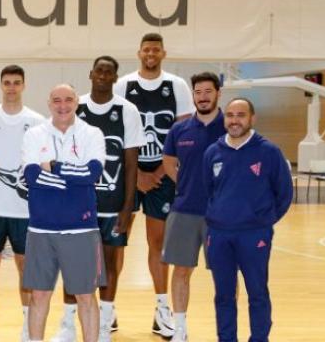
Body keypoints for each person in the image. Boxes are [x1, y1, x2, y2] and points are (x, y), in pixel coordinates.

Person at [52, 56, 145, 342]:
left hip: (113, 204)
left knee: (109, 264)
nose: (104, 75)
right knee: (73, 264)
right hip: (78, 205)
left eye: (109, 71)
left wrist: (128, 207)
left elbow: (131, 163)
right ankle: (68, 324)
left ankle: (104, 323)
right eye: (100, 70)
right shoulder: (75, 106)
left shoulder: (127, 110)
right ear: (91, 74)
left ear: (116, 78)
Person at [113, 33, 194, 338]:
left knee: (157, 243)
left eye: (155, 50)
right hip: (127, 174)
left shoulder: (177, 86)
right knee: (116, 242)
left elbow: (184, 133)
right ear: (139, 52)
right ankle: (109, 307)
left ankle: (162, 310)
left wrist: (159, 171)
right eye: (146, 49)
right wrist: (137, 176)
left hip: (162, 175)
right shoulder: (123, 85)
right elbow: (116, 132)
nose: (150, 53)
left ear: (163, 53)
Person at [21, 84, 106, 342]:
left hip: (81, 230)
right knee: (39, 295)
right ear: (49, 103)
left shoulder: (92, 133)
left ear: (76, 102)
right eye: (56, 100)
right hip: (41, 230)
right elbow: (31, 176)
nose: (62, 105)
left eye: (68, 99)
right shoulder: (35, 134)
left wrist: (54, 167)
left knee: (85, 296)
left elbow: (92, 174)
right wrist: (71, 177)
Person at [202, 98, 291, 342]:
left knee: (257, 292)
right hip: (218, 235)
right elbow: (208, 190)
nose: (234, 120)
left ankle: (259, 338)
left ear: (252, 118)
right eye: (230, 115)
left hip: (254, 235)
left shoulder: (269, 151)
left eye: (241, 115)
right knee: (223, 295)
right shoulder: (213, 152)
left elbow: (284, 193)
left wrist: (262, 221)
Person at [0, 65, 45, 342]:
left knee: (25, 267)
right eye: (7, 82)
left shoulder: (38, 121)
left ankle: (28, 326)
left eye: (16, 82)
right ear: (1, 85)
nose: (12, 87)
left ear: (24, 85)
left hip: (25, 211)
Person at [160, 71, 227, 341]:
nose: (202, 97)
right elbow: (168, 161)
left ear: (218, 93)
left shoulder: (230, 126)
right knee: (181, 270)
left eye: (208, 92)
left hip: (222, 215)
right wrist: (188, 182)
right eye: (198, 92)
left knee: (224, 273)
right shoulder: (180, 129)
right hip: (185, 209)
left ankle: (227, 328)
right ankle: (180, 329)